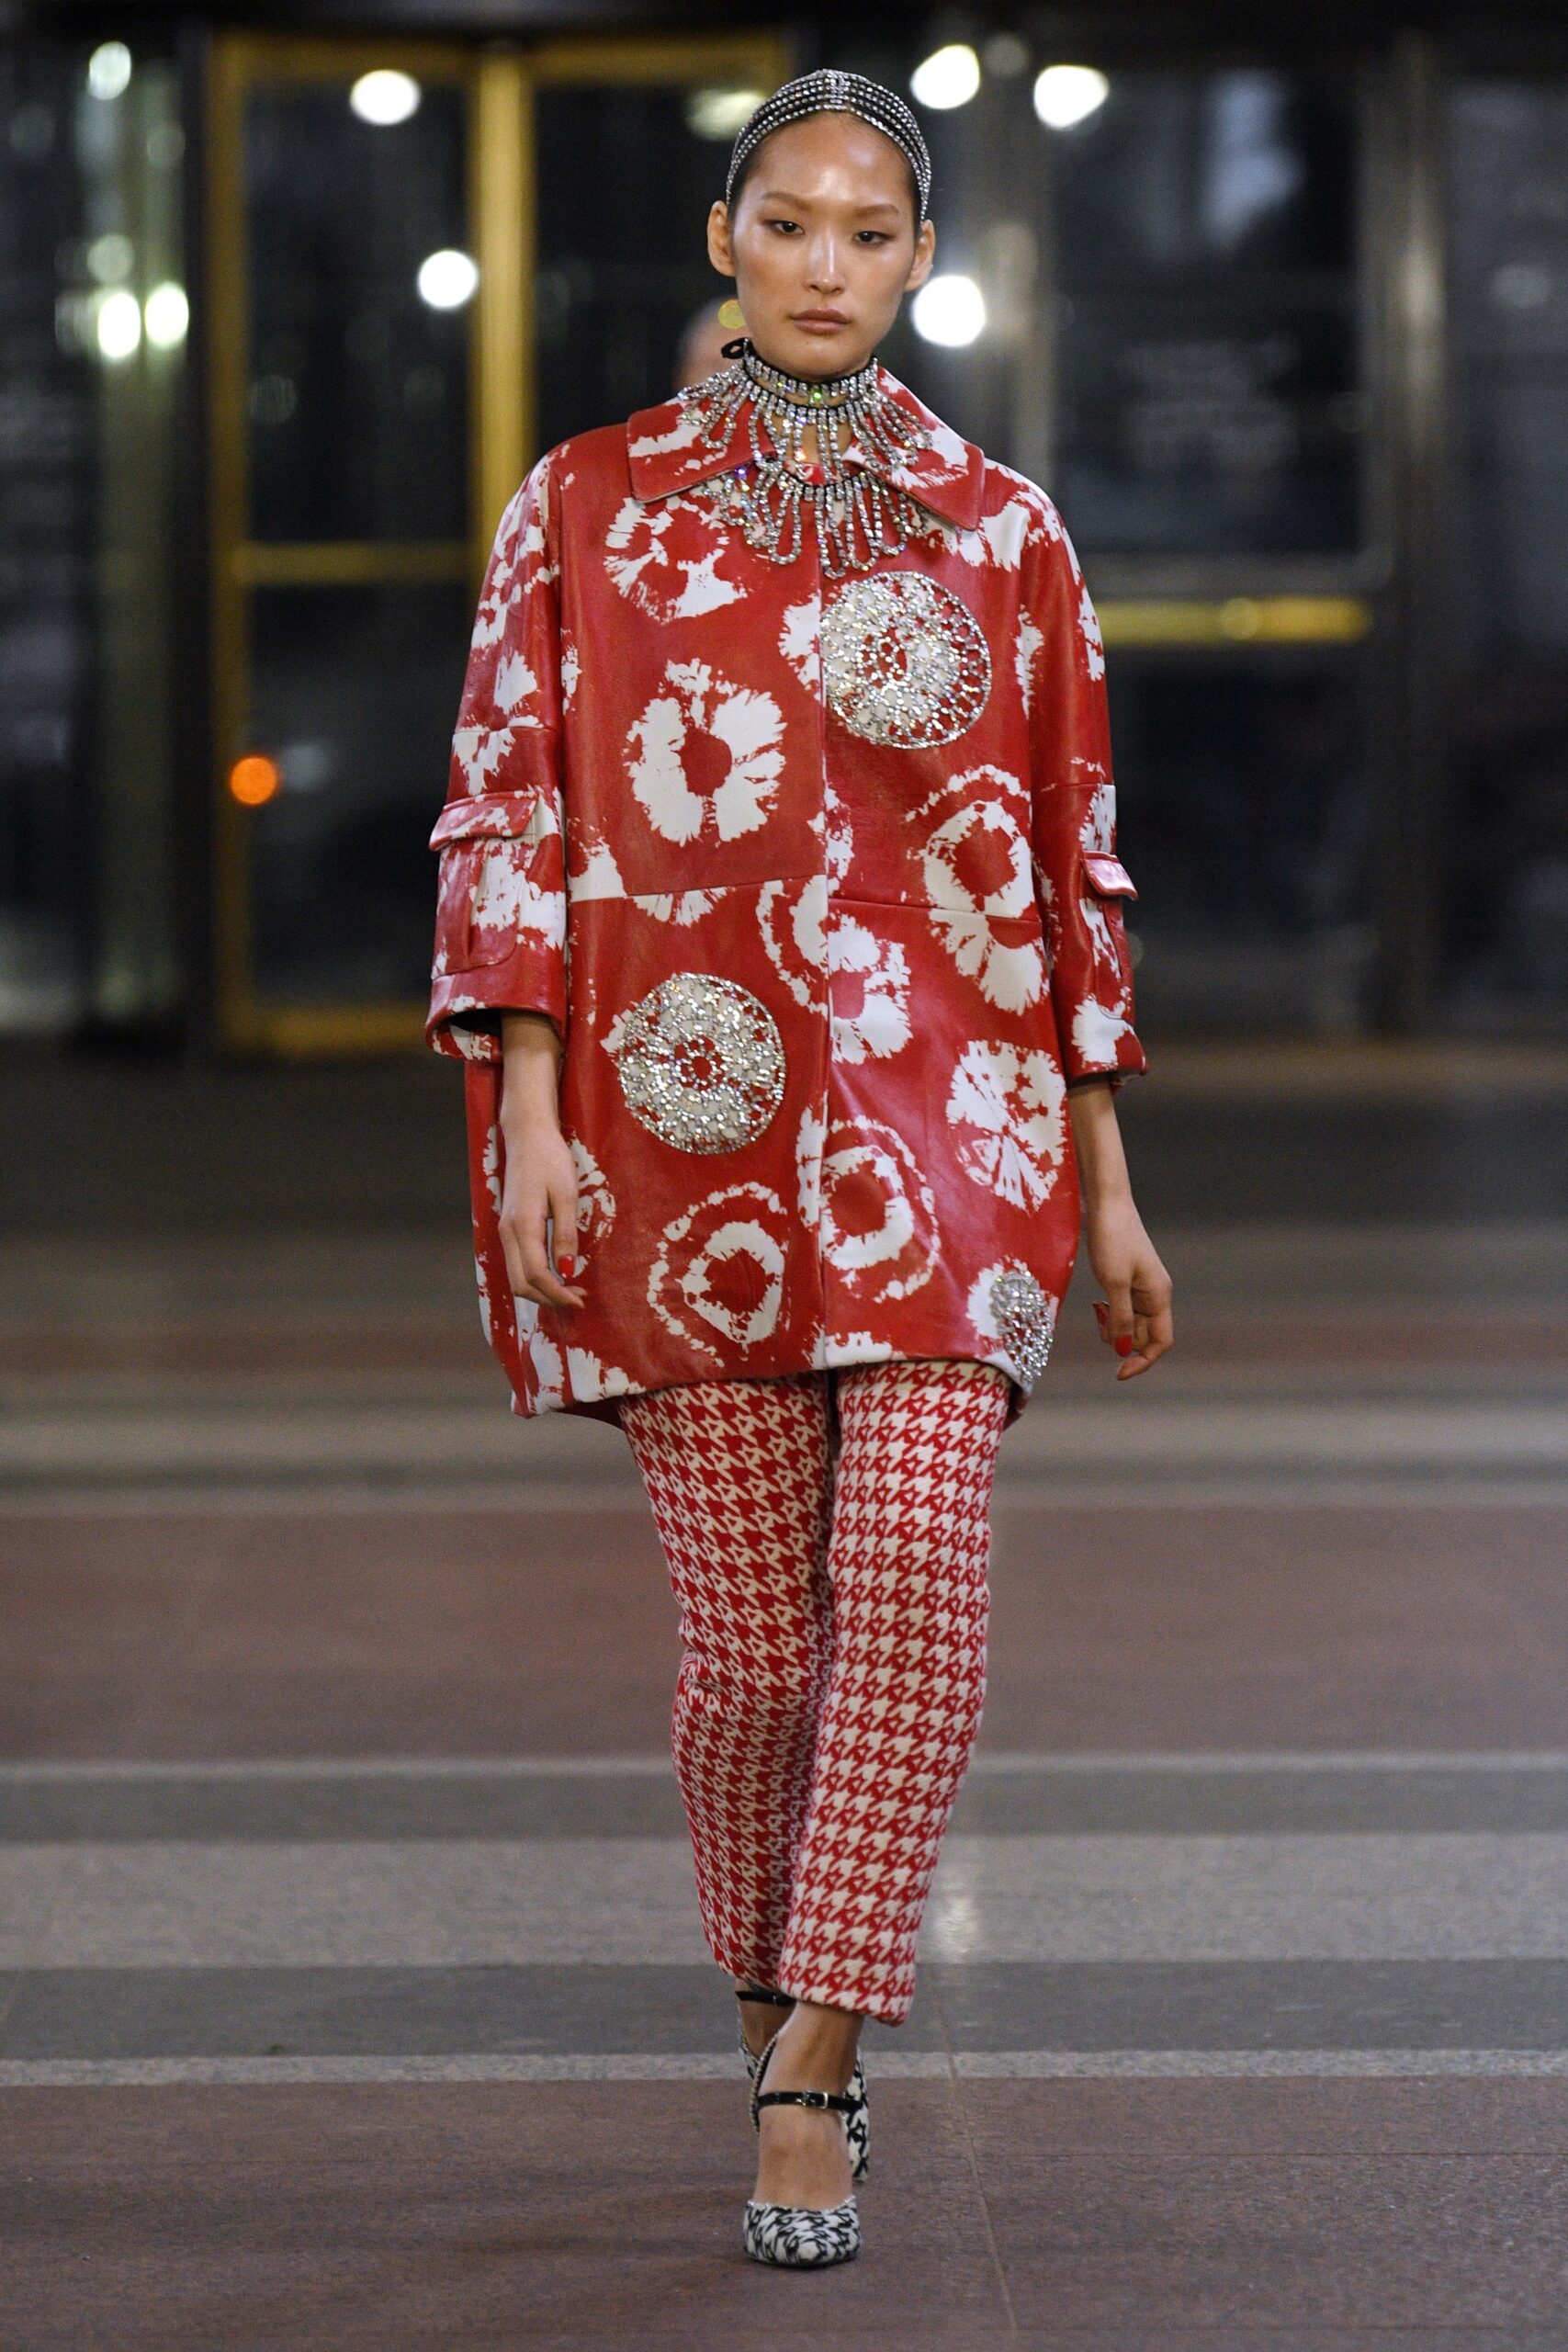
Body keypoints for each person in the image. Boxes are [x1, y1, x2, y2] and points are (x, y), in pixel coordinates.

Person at [424, 66, 1173, 2270]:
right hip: (671, 1133)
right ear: (724, 239)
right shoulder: (586, 505)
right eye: (787, 223)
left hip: (958, 1131)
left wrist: (1105, 1173)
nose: (825, 266)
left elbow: (1066, 861)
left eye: (867, 232)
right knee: (754, 1657)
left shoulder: (1003, 527)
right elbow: (508, 806)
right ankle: (767, 1999)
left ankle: (815, 2065)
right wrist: (530, 1111)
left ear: (920, 259)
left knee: (917, 1565)